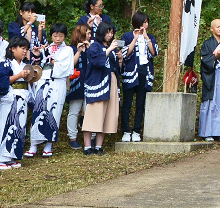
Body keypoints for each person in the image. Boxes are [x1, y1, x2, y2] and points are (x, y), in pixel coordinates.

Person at [29, 22, 72, 158]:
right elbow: (36, 65)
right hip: (42, 82)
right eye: (55, 35)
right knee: (38, 110)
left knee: (54, 112)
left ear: (64, 36)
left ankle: (48, 145)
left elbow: (64, 68)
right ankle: (33, 145)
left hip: (58, 83)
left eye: (60, 36)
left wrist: (51, 59)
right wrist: (37, 54)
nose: (57, 39)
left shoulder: (68, 50)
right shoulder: (46, 48)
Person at [0, 36, 32, 169]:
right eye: (22, 48)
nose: (24, 51)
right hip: (10, 98)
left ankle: (11, 156)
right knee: (5, 126)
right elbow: (1, 82)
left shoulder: (24, 65)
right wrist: (18, 76)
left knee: (18, 128)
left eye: (26, 49)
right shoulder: (6, 63)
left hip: (22, 98)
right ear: (12, 49)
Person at [80, 21, 121, 154]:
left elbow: (115, 66)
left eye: (111, 32)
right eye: (107, 32)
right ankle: (87, 146)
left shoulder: (112, 47)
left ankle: (99, 146)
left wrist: (119, 58)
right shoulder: (94, 46)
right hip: (98, 82)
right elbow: (96, 62)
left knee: (108, 113)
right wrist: (108, 50)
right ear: (101, 33)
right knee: (94, 112)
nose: (110, 35)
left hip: (112, 80)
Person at [118, 11, 157, 144]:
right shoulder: (127, 36)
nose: (145, 25)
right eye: (143, 22)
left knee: (141, 104)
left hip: (144, 72)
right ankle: (125, 131)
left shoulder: (150, 36)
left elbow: (154, 53)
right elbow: (124, 53)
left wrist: (146, 38)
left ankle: (136, 131)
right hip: (130, 72)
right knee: (127, 103)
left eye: (147, 22)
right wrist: (135, 38)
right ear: (137, 23)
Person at [64, 22, 90, 149]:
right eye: (88, 33)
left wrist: (89, 49)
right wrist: (79, 51)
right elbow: (71, 65)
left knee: (89, 110)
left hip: (90, 82)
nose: (90, 35)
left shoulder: (92, 47)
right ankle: (72, 137)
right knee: (74, 111)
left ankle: (90, 137)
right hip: (76, 82)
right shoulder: (72, 48)